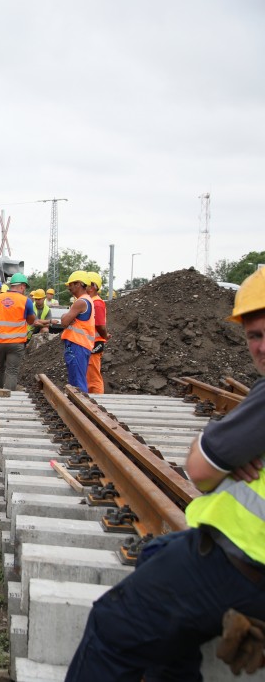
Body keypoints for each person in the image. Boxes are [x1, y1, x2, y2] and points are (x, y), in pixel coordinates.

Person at [66, 267, 265, 681]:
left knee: (112, 622)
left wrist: (220, 452)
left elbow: (199, 470)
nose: (260, 347)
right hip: (236, 557)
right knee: (158, 554)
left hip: (243, 567)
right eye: (254, 335)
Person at [0, 272, 36, 391]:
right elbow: (31, 321)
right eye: (25, 287)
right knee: (12, 371)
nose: (25, 290)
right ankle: (7, 399)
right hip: (16, 343)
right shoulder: (26, 301)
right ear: (21, 286)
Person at [59, 271, 95, 392]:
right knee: (76, 381)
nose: (69, 288)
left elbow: (64, 322)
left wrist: (66, 316)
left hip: (78, 345)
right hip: (80, 345)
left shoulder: (80, 302)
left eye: (71, 284)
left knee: (77, 383)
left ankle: (81, 409)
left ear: (78, 284)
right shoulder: (86, 300)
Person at [84, 272, 110, 394]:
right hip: (91, 343)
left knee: (93, 377)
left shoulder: (97, 303)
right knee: (89, 375)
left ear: (93, 286)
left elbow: (100, 325)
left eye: (87, 284)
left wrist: (104, 336)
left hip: (95, 343)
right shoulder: (91, 301)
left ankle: (99, 402)